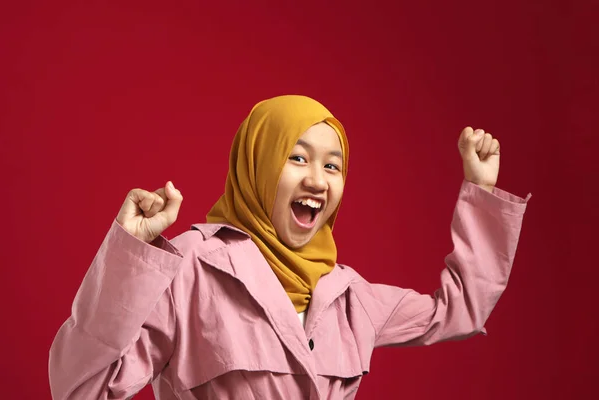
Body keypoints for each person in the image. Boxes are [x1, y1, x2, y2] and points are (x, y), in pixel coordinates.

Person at [48, 95, 531, 399]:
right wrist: (130, 255)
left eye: (333, 165)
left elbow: (460, 312)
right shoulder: (192, 265)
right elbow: (83, 390)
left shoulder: (348, 294)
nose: (317, 180)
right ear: (257, 165)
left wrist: (481, 195)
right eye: (296, 158)